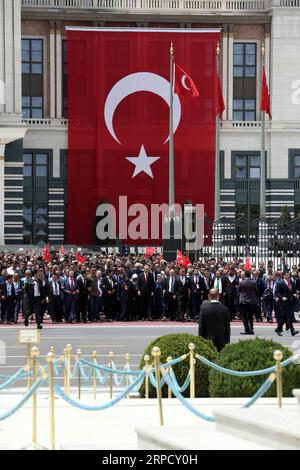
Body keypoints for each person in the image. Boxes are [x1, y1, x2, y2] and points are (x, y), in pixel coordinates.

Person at [275, 272, 299, 337]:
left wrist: (295, 294)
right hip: (282, 303)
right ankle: (280, 329)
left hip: (290, 302)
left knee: (289, 316)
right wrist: (282, 297)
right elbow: (276, 292)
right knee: (284, 316)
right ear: (283, 276)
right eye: (287, 275)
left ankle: (289, 330)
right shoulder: (280, 283)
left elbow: (294, 291)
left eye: (289, 275)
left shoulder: (292, 283)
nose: (289, 276)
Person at [237, 271, 258, 335]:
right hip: (251, 301)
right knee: (250, 316)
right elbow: (256, 291)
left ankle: (246, 329)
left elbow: (237, 290)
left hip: (243, 301)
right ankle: (251, 328)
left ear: (245, 275)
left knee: (244, 316)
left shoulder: (241, 282)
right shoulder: (253, 282)